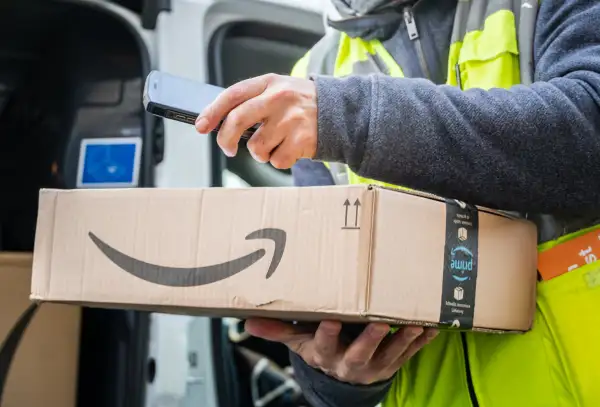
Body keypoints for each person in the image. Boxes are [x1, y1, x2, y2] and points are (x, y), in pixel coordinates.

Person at [195, 0, 600, 405]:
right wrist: (340, 377)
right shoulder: (314, 70)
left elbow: (590, 133)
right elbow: (322, 358)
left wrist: (352, 117)